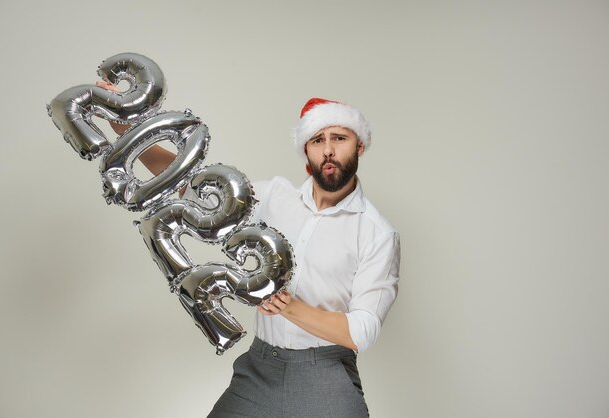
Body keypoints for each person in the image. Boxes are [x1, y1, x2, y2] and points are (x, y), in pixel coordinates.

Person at [102, 87, 400, 416]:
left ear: (359, 145)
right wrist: (129, 133)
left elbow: (362, 330)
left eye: (339, 138)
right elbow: (191, 185)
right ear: (306, 152)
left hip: (325, 375)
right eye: (318, 140)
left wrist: (290, 308)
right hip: (259, 370)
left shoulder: (377, 233)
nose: (328, 150)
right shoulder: (273, 197)